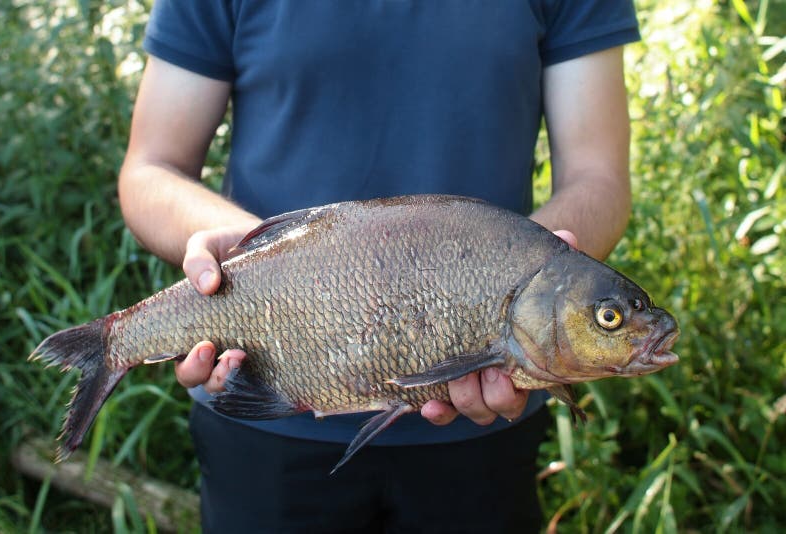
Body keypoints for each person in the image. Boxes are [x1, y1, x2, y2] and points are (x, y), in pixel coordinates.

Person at [118, 1, 638, 532]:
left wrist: (541, 277)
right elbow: (151, 167)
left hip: (484, 423)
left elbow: (598, 178)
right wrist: (249, 257)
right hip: (268, 405)